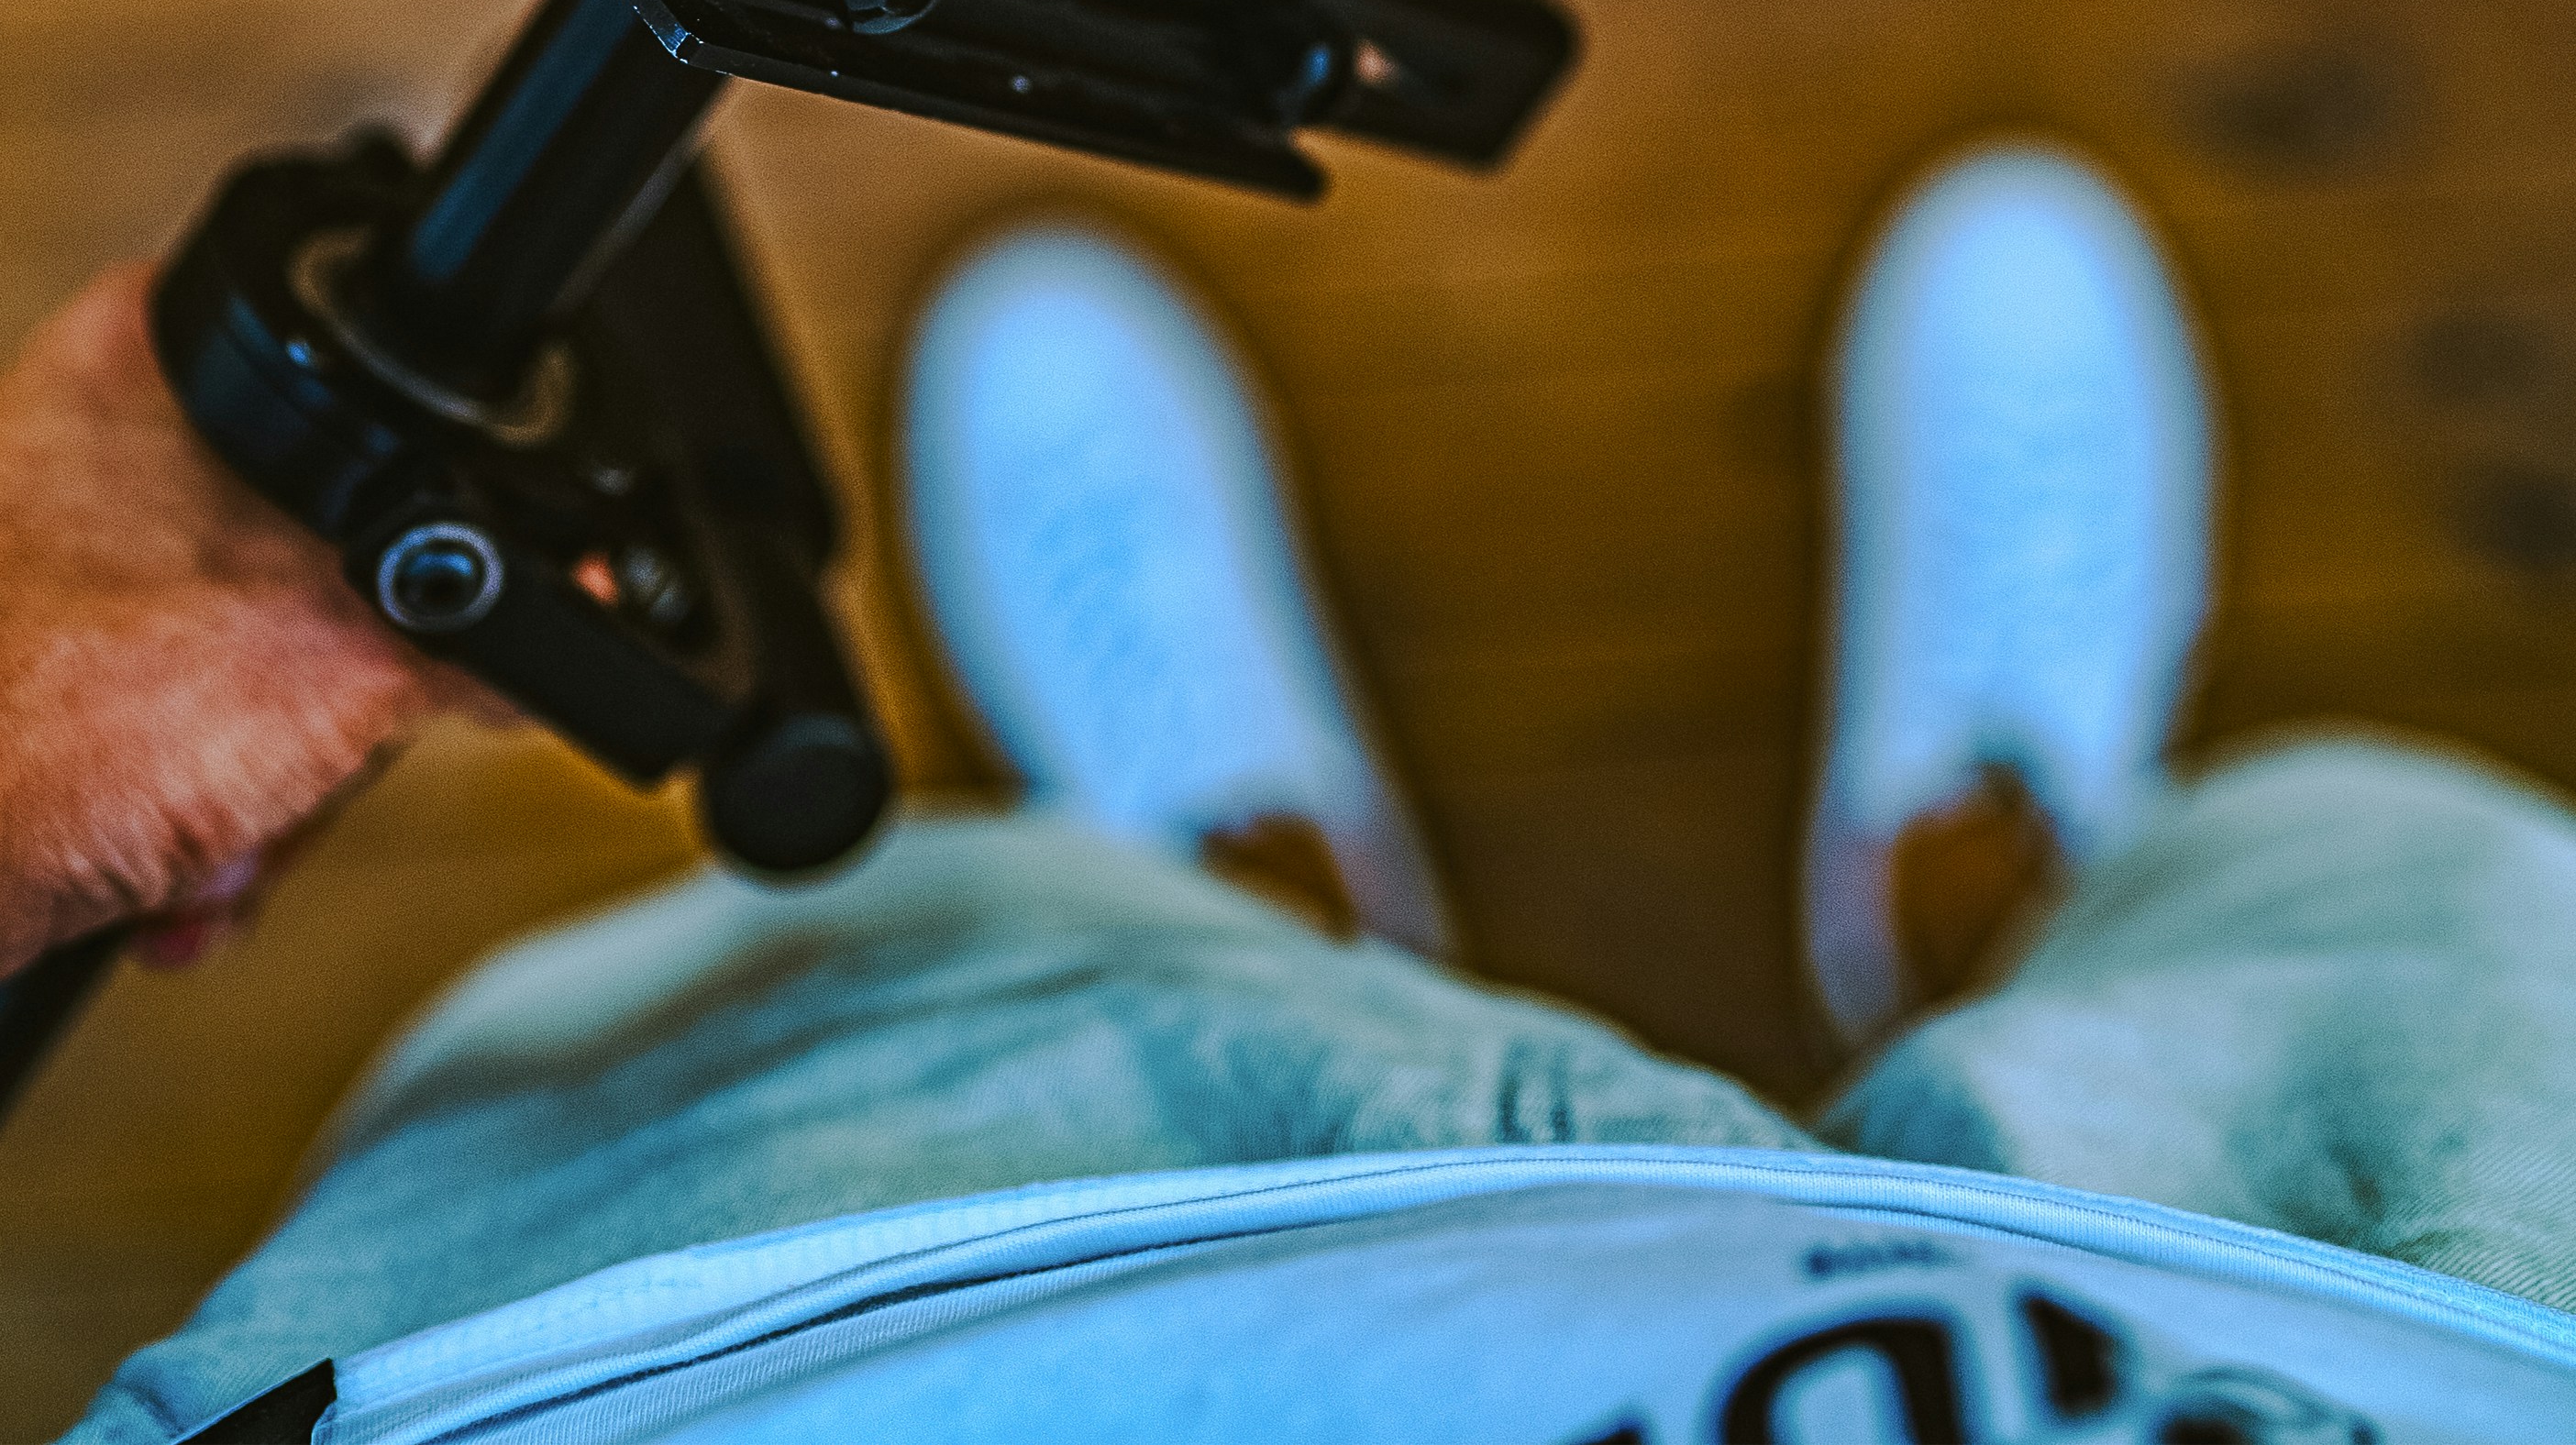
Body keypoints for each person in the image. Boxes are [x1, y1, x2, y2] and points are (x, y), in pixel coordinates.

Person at [14, 150, 2576, 1444]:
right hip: (2367, 1367)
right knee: (2375, 909)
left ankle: (1209, 880)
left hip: (821, 1348)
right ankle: (2031, 859)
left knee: (923, 957)